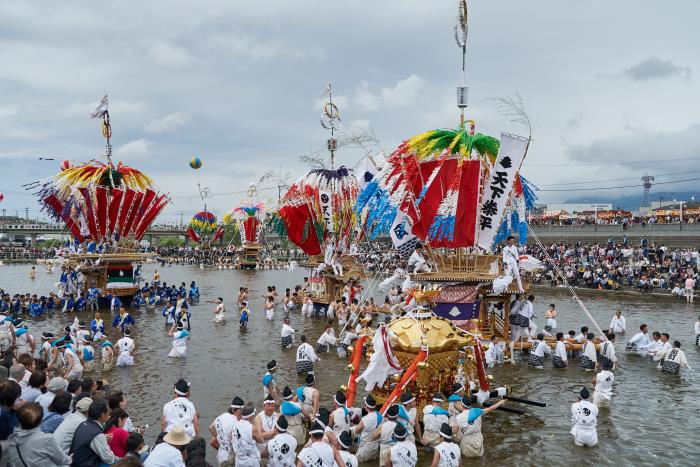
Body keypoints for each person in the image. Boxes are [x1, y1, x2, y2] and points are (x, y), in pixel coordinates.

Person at [5, 402, 72, 467]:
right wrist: (70, 459)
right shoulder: (46, 439)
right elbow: (62, 460)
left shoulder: (11, 438)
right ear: (40, 421)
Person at [70, 399, 119, 466]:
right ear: (102, 415)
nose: (109, 412)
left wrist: (102, 438)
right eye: (108, 411)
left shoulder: (83, 424)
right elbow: (109, 459)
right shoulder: (97, 434)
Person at [210, 396, 243, 466]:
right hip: (231, 456)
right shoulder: (236, 422)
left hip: (221, 454)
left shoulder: (221, 416)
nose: (242, 413)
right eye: (241, 411)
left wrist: (219, 438)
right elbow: (232, 439)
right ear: (235, 410)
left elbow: (211, 428)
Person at [353, 394, 382, 462]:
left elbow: (356, 431)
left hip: (366, 447)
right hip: (375, 446)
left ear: (366, 407)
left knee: (356, 462)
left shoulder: (365, 419)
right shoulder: (379, 415)